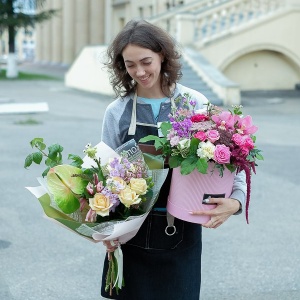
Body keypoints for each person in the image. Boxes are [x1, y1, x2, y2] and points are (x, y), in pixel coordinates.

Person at [100, 19, 246, 300]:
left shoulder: (194, 104)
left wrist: (236, 200)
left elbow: (233, 160)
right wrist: (104, 226)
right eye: (130, 65)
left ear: (162, 55)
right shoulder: (117, 112)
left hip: (183, 235)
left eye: (146, 61)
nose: (139, 72)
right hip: (131, 236)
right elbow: (105, 175)